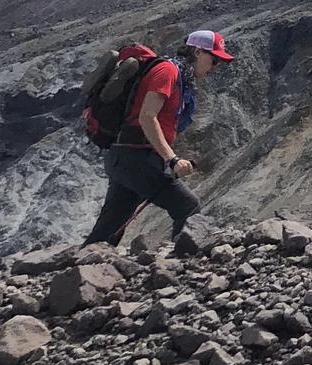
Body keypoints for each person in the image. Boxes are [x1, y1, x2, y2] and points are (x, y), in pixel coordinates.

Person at [83, 29, 233, 253]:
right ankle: (181, 268)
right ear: (198, 52)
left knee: (109, 229)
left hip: (126, 158)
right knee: (187, 206)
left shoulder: (180, 77)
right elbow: (147, 117)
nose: (215, 67)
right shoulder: (168, 71)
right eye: (214, 59)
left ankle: (75, 269)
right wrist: (171, 159)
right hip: (134, 157)